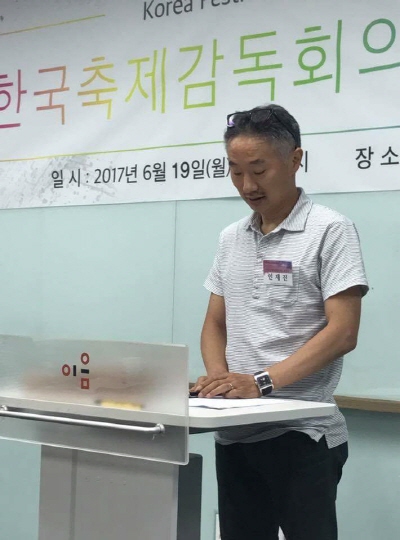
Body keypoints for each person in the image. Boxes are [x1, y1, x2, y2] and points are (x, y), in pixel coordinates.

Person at [191, 104, 369, 540]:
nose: (247, 185)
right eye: (235, 171)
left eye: (259, 170)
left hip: (302, 434)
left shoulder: (330, 230)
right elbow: (215, 324)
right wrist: (219, 382)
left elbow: (343, 332)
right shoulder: (231, 238)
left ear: (294, 160)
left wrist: (260, 383)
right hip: (235, 433)